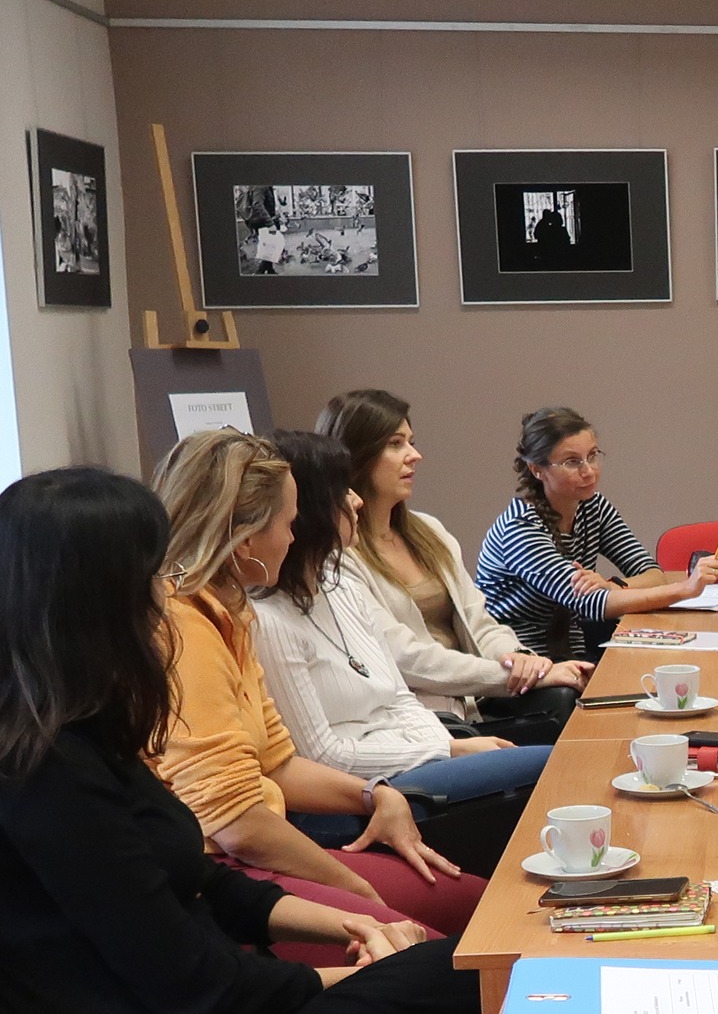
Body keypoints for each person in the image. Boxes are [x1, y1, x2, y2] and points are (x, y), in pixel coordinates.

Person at [0, 467, 477, 1014]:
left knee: (454, 976)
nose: (162, 594)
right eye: (148, 574)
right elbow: (194, 984)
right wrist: (354, 974)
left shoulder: (77, 733)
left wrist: (344, 926)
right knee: (466, 985)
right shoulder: (43, 772)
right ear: (94, 598)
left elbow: (201, 882)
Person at [153, 428, 484, 938]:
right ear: (243, 538)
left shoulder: (230, 613)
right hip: (217, 871)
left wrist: (374, 794)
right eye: (286, 523)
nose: (292, 535)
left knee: (474, 906)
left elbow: (279, 763)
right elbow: (236, 822)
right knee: (441, 952)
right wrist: (353, 886)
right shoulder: (185, 627)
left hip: (255, 845)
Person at [251, 434, 551, 862]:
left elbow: (400, 696)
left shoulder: (342, 587)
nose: (355, 501)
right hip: (355, 797)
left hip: (412, 759)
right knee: (552, 768)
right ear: (310, 508)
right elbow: (322, 755)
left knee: (547, 765)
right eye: (342, 490)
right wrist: (444, 748)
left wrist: (444, 744)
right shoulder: (269, 621)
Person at [315, 388, 589, 743]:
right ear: (357, 457)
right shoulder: (339, 556)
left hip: (475, 695)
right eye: (396, 444)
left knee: (566, 696)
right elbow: (404, 658)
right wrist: (508, 676)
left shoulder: (430, 531)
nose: (415, 455)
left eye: (411, 442)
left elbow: (481, 620)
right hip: (422, 715)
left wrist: (520, 659)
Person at [476, 408, 712, 658]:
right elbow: (590, 603)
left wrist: (613, 585)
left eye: (592, 456)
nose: (588, 471)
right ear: (537, 470)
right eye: (572, 462)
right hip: (518, 660)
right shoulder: (520, 528)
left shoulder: (593, 506)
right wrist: (686, 589)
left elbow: (652, 574)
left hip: (572, 649)